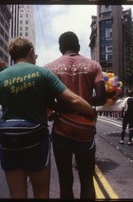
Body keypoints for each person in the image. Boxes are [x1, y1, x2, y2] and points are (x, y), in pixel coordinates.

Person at [0, 36, 96, 199]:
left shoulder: (0, 77)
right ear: (30, 52)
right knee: (41, 193)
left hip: (9, 144)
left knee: (17, 195)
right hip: (36, 142)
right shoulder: (42, 73)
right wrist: (91, 112)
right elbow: (74, 100)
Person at [45, 31, 106, 199]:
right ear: (78, 46)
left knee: (65, 181)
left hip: (61, 131)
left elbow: (47, 101)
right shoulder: (94, 66)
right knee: (87, 180)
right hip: (85, 130)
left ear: (60, 48)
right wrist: (83, 103)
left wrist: (62, 109)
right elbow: (101, 98)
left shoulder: (49, 68)